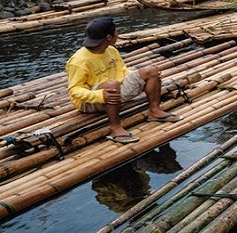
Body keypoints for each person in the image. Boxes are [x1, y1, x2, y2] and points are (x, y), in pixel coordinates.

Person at [66, 17, 181, 145]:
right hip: (89, 101)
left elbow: (123, 71)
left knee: (151, 71)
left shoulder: (111, 50)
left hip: (115, 90)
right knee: (112, 84)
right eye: (116, 32)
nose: (118, 34)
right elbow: (74, 90)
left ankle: (154, 111)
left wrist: (147, 78)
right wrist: (99, 95)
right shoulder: (79, 61)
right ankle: (115, 128)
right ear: (109, 37)